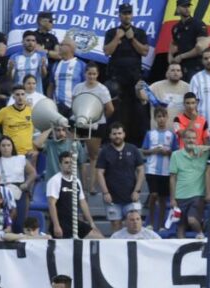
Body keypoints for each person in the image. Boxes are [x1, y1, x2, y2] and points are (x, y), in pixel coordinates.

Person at [102, 3, 149, 142]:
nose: (127, 16)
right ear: (119, 15)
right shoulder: (111, 32)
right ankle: (113, 139)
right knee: (116, 111)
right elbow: (107, 51)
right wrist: (117, 38)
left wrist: (131, 38)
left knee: (139, 110)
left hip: (134, 77)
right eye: (124, 13)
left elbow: (144, 51)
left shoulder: (139, 32)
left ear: (132, 15)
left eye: (129, 13)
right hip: (117, 77)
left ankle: (139, 141)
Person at [72, 63, 115, 194]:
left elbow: (110, 109)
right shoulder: (78, 87)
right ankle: (79, 186)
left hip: (95, 125)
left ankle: (91, 187)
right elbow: (74, 104)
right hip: (79, 122)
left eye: (94, 74)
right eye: (89, 73)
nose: (91, 76)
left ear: (98, 74)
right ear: (85, 73)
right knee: (76, 154)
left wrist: (98, 118)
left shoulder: (102, 89)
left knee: (93, 156)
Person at [0, 136, 35, 233]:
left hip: (19, 191)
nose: (6, 148)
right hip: (1, 192)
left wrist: (27, 184)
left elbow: (33, 173)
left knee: (19, 222)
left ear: (12, 147)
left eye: (8, 145)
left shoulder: (21, 158)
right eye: (3, 145)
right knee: (2, 223)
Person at [96, 123, 144, 233]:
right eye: (114, 134)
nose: (117, 136)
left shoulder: (133, 149)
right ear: (110, 136)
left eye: (119, 133)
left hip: (132, 196)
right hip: (112, 198)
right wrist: (105, 192)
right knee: (116, 225)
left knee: (134, 225)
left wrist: (137, 190)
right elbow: (99, 173)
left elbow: (141, 170)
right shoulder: (105, 151)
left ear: (124, 134)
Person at [170, 128, 210, 238]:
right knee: (181, 227)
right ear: (183, 139)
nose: (191, 140)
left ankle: (200, 234)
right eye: (188, 138)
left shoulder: (203, 152)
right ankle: (181, 251)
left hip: (197, 195)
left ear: (197, 140)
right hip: (180, 196)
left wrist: (207, 147)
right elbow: (172, 178)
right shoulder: (175, 155)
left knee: (192, 220)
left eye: (194, 138)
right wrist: (172, 198)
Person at [46, 151, 102, 239]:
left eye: (72, 162)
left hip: (74, 222)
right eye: (66, 162)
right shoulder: (55, 181)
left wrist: (91, 223)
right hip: (61, 223)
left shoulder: (77, 181)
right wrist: (56, 226)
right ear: (60, 164)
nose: (69, 165)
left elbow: (83, 203)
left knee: (98, 237)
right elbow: (51, 204)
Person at [137, 63, 191, 129]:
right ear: (167, 73)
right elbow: (143, 97)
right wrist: (137, 90)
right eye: (172, 70)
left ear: (181, 74)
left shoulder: (188, 87)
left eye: (178, 70)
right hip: (159, 132)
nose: (175, 72)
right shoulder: (156, 86)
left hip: (181, 133)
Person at [168, 0, 207, 80]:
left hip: (196, 65)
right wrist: (170, 57)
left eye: (188, 6)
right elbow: (173, 44)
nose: (187, 9)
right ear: (178, 9)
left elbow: (200, 48)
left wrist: (181, 56)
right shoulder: (176, 28)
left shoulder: (198, 24)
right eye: (184, 6)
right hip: (181, 67)